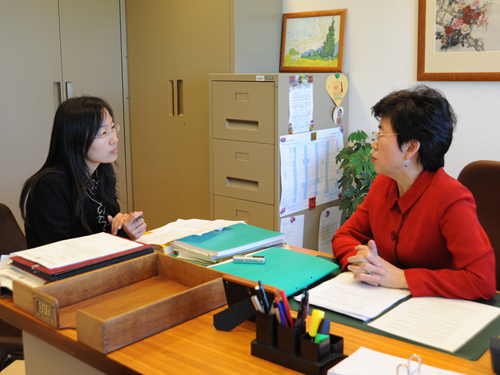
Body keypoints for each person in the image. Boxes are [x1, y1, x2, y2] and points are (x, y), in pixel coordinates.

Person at [332, 86, 496, 300]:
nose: (374, 142)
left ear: (410, 148)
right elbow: (344, 235)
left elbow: (482, 282)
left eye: (381, 133)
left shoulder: (451, 198)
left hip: (440, 312)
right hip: (387, 302)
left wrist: (402, 279)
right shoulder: (383, 184)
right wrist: (362, 261)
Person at [20, 96, 147, 248]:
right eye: (103, 133)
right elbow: (59, 254)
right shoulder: (50, 186)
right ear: (75, 139)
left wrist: (124, 229)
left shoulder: (101, 172)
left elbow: (109, 233)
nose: (114, 139)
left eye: (113, 128)